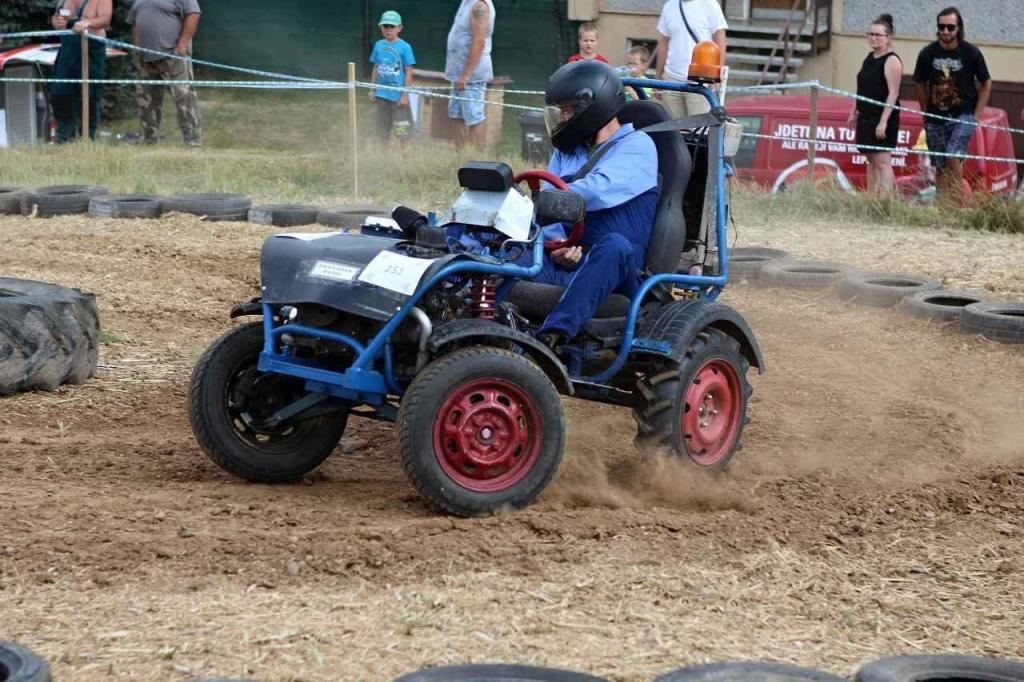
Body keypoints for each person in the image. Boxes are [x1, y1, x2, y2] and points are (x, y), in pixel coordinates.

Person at [533, 60, 659, 348]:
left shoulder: (638, 146)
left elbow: (594, 191)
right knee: (509, 249)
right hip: (565, 258)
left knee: (614, 245)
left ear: (593, 106)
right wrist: (556, 244)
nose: (561, 119)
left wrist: (539, 200)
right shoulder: (569, 151)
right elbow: (547, 202)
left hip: (619, 268)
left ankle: (551, 339)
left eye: (567, 111)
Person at [913, 7, 991, 204]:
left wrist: (976, 115)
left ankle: (959, 206)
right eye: (942, 27)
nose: (946, 31)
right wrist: (925, 113)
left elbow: (986, 83)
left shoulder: (971, 53)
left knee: (952, 155)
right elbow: (919, 83)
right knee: (939, 165)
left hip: (963, 114)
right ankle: (944, 208)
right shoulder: (927, 53)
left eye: (950, 27)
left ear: (959, 28)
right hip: (935, 114)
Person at [128, 0, 203, 147]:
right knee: (146, 102)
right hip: (146, 59)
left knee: (184, 101)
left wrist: (182, 45)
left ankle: (193, 143)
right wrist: (137, 49)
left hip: (173, 56)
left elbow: (193, 14)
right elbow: (135, 23)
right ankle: (149, 140)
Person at [846, 13, 902, 193]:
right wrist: (854, 111)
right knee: (870, 160)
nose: (874, 38)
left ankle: (885, 203)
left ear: (888, 38)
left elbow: (893, 93)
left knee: (882, 162)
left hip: (882, 117)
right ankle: (871, 200)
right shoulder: (869, 58)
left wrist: (883, 121)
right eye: (870, 34)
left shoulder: (892, 60)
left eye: (878, 35)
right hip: (866, 116)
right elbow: (862, 87)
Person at [50, 0, 112, 143]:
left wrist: (88, 22)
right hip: (68, 49)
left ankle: (87, 137)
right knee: (61, 93)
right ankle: (64, 138)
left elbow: (105, 20)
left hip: (92, 49)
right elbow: (55, 17)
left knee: (90, 94)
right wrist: (57, 22)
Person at [655, 0, 726, 117]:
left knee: (699, 131)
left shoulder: (710, 5)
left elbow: (720, 42)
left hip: (701, 80)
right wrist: (658, 77)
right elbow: (663, 43)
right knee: (673, 131)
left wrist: (717, 76)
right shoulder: (669, 6)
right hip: (671, 79)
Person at [444, 0, 495, 151]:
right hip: (457, 73)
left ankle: (476, 159)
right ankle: (459, 155)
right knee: (455, 114)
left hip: (471, 76)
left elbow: (479, 42)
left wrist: (465, 75)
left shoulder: (480, 6)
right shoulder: (466, 2)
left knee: (474, 116)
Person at [369, 10, 416, 146]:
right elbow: (376, 67)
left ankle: (403, 155)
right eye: (385, 26)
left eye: (392, 26)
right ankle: (383, 156)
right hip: (382, 95)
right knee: (382, 130)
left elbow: (409, 70)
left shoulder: (405, 47)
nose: (388, 30)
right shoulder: (378, 45)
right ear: (381, 28)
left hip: (398, 97)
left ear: (399, 28)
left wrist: (405, 95)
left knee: (402, 128)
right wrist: (372, 90)